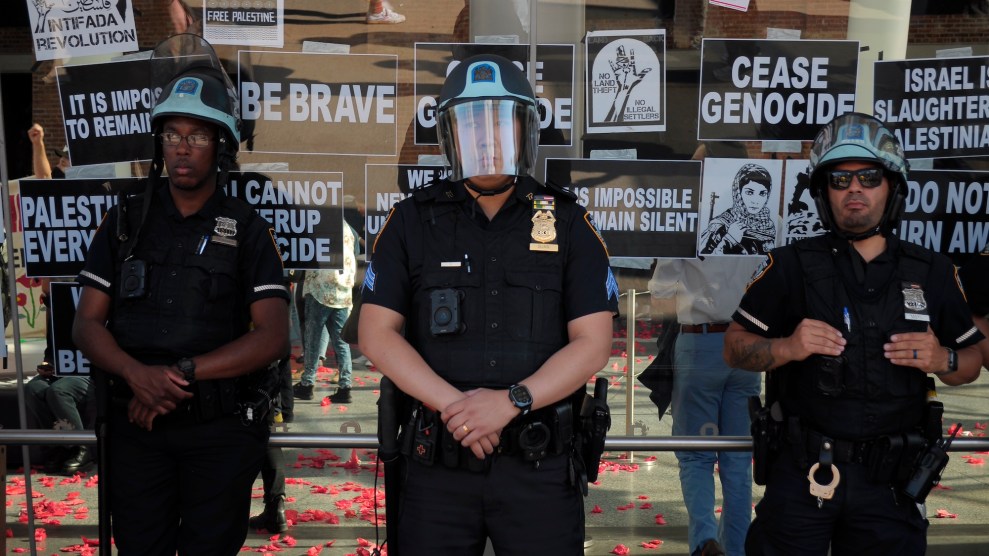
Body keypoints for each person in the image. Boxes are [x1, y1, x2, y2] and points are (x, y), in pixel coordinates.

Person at [358, 53, 618, 554]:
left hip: (538, 470)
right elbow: (376, 334)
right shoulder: (411, 221)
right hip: (436, 470)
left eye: (501, 123)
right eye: (472, 124)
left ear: (525, 132)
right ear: (451, 137)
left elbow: (593, 344)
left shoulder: (567, 224)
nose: (487, 138)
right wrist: (458, 409)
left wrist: (508, 403)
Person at [723, 112, 984, 555]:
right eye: (840, 181)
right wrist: (787, 347)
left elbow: (971, 362)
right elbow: (735, 347)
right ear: (824, 193)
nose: (855, 189)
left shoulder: (934, 272)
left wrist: (944, 360)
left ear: (892, 186)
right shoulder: (788, 266)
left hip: (892, 483)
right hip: (801, 475)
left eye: (868, 176)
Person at [72, 37, 290, 556]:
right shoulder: (124, 220)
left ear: (221, 145)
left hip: (218, 433)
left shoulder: (248, 228)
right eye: (172, 133)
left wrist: (177, 376)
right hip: (137, 429)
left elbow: (273, 336)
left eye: (196, 135)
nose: (182, 146)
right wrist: (135, 375)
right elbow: (86, 325)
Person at [650, 257, 762, 556]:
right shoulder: (766, 219)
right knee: (738, 459)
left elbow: (660, 290)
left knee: (696, 455)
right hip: (747, 342)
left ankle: (705, 542)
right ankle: (736, 548)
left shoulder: (693, 229)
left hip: (700, 342)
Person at [293, 224, 357, 403]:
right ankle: (345, 387)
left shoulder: (316, 223)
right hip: (342, 291)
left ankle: (307, 384)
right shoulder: (348, 229)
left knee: (313, 338)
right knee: (341, 342)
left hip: (320, 289)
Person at [24, 372, 97, 474]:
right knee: (32, 388)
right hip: (56, 374)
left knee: (58, 390)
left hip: (88, 374)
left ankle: (80, 447)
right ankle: (57, 447)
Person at [699, 163, 777, 255]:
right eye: (749, 192)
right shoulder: (720, 226)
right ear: (738, 193)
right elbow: (701, 261)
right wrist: (729, 239)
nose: (756, 201)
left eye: (762, 193)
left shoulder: (771, 226)